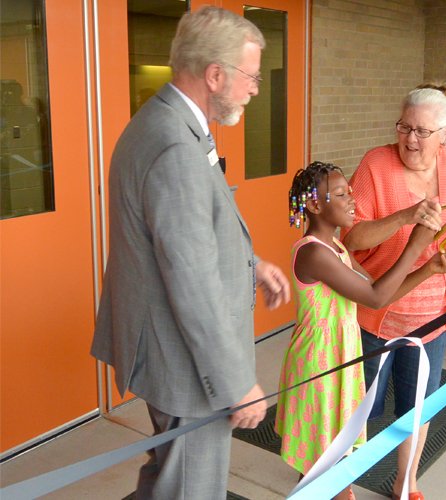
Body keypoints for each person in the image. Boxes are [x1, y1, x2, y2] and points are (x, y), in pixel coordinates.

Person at [90, 7, 290, 499]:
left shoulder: (170, 121)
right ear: (215, 75)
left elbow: (192, 238)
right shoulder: (174, 144)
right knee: (191, 490)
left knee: (168, 477)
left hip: (166, 347)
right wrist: (236, 383)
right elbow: (191, 281)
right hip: (185, 364)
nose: (255, 88)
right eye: (251, 76)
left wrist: (252, 265)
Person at [340, 83, 446, 500]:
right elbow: (353, 237)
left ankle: (405, 483)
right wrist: (405, 216)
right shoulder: (376, 164)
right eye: (404, 127)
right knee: (357, 410)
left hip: (433, 318)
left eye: (423, 131)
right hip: (375, 313)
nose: (410, 139)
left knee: (418, 408)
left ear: (445, 133)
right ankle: (341, 480)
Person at [275, 162, 446, 500]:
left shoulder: (337, 249)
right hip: (320, 364)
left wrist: (429, 268)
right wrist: (416, 246)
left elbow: (378, 289)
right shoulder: (314, 252)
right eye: (342, 194)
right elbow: (375, 300)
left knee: (334, 455)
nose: (353, 202)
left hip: (340, 357)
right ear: (315, 205)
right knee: (327, 458)